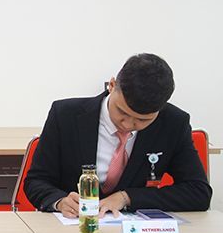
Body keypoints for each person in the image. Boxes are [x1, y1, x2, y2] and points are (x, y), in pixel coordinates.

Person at [25, 53, 212, 218]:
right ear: (112, 85)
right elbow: (36, 181)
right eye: (122, 112)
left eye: (142, 120)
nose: (128, 125)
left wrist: (127, 197)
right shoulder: (65, 115)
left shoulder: (173, 124)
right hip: (72, 229)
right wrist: (59, 201)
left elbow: (198, 192)